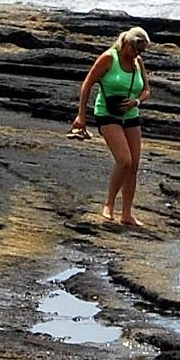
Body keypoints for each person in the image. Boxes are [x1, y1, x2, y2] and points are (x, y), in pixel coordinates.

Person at [70, 27, 153, 226]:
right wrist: (82, 115)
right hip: (107, 114)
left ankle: (126, 213)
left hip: (131, 114)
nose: (138, 54)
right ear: (126, 43)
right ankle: (108, 204)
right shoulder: (109, 58)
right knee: (124, 160)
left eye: (141, 51)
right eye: (136, 49)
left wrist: (136, 102)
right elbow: (87, 84)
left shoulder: (137, 62)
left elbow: (147, 90)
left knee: (134, 164)